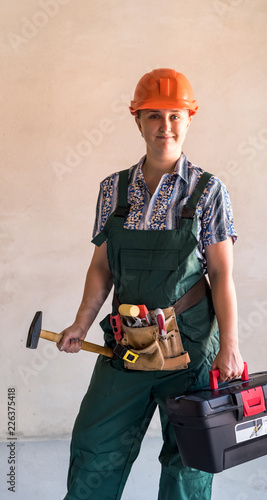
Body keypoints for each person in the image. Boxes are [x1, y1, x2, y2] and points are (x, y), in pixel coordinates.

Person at [58, 68, 244, 500]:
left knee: (188, 460)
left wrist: (230, 346)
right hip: (127, 346)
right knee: (94, 445)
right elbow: (101, 267)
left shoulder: (209, 191)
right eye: (154, 116)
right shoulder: (114, 190)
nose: (165, 126)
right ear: (137, 120)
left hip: (192, 351)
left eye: (175, 116)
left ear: (189, 119)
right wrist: (81, 325)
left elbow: (221, 275)